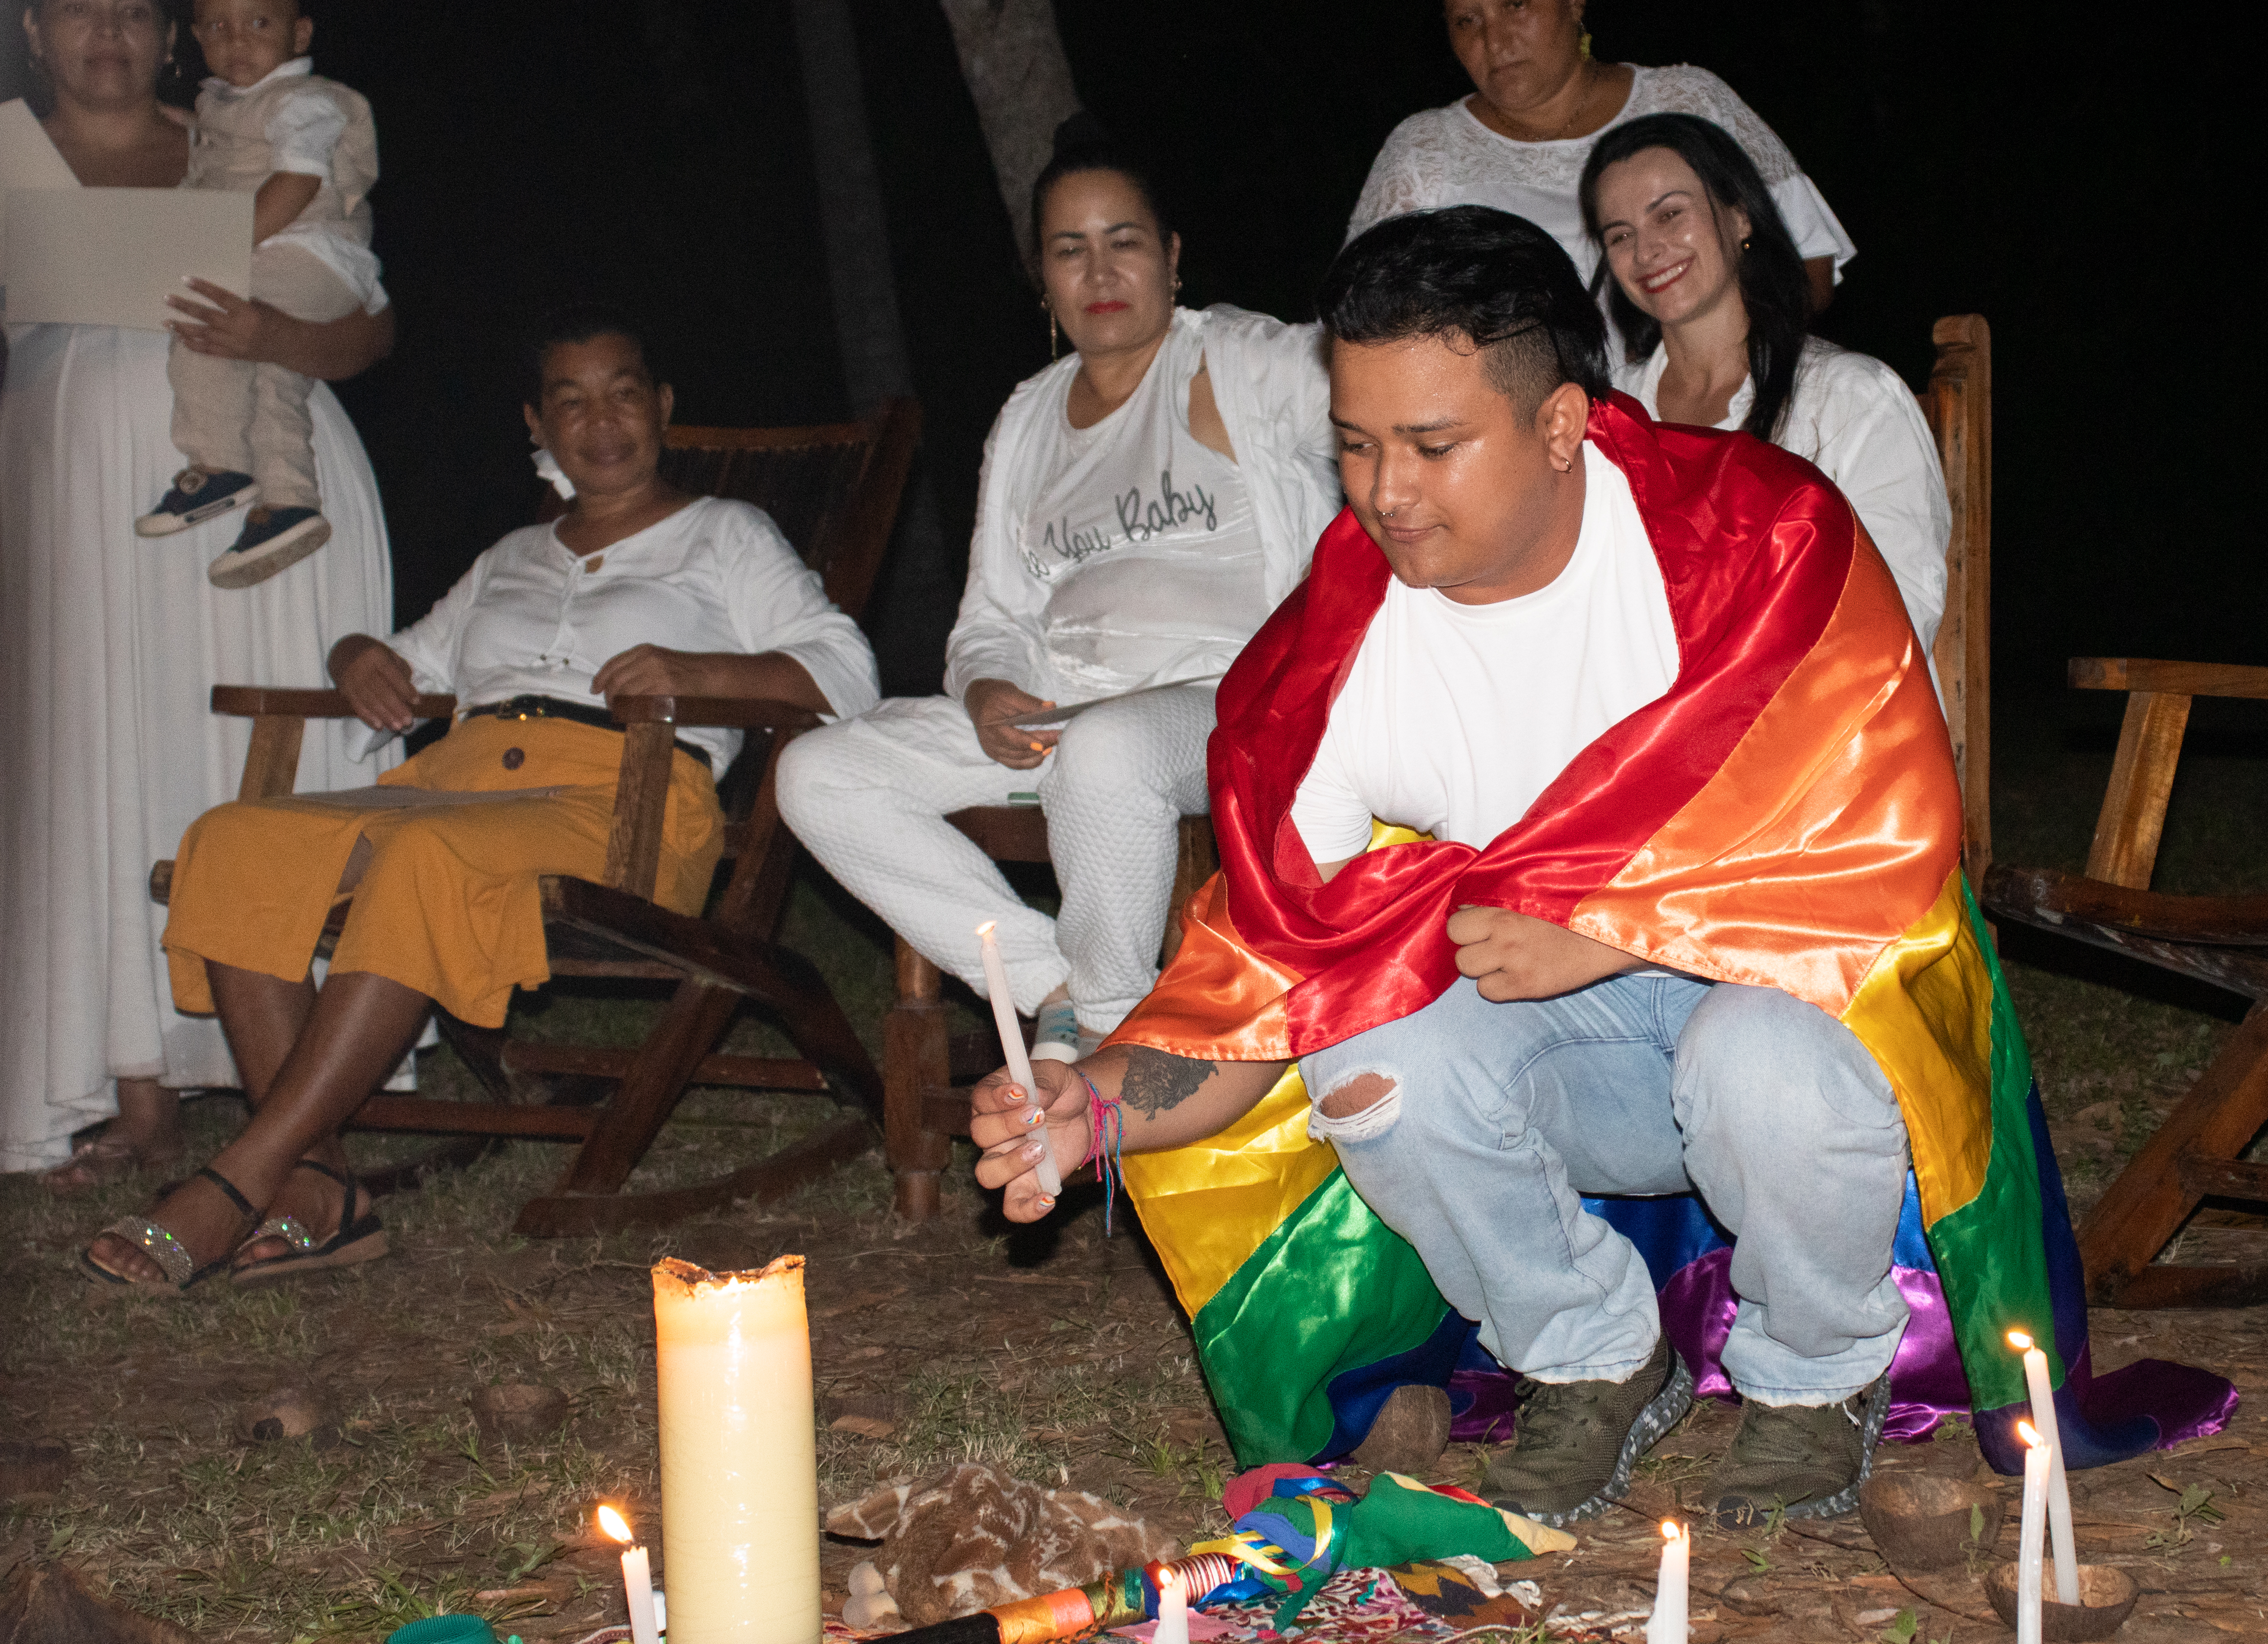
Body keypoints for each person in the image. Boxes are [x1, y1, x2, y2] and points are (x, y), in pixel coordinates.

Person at [971, 206, 1977, 1529]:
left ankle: (1817, 1374)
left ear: (1561, 425)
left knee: (1760, 1062)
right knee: (1371, 1057)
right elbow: (1271, 977)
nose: (1386, 491)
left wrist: (1618, 927)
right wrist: (1090, 1107)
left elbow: (1881, 839)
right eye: (1355, 446)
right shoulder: (1332, 655)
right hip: (1577, 1056)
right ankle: (1591, 1353)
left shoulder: (1755, 539)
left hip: (1805, 1008)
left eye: (1434, 446)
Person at [76, 306, 881, 1289]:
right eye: (570, 400)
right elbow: (404, 663)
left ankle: (242, 1173)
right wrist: (354, 655)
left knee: (425, 859)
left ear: (663, 407)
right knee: (234, 838)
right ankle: (324, 1186)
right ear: (537, 426)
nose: (601, 419)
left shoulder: (725, 534)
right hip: (459, 787)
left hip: (621, 802)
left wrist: (696, 666)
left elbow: (847, 670)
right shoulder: (511, 555)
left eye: (624, 391)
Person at [777, 121, 1339, 1056]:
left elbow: (1377, 389)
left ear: (1170, 257)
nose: (1100, 270)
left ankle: (1109, 1039)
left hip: (1226, 703)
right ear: (1041, 277)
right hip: (1060, 710)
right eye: (1069, 250)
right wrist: (989, 685)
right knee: (818, 771)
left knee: (1107, 751)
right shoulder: (1028, 415)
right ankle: (1058, 986)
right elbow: (990, 618)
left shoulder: (1239, 362)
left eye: (1124, 241)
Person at [1, 0, 397, 1187]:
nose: (107, 30)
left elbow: (373, 328)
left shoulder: (253, 122)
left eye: (133, 8)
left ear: (172, 33)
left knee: (232, 764)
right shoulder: (6, 148)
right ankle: (135, 1085)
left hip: (266, 505)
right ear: (31, 28)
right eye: (79, 7)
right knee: (102, 764)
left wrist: (276, 324)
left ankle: (301, 1078)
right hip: (79, 504)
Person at [1582, 112, 1949, 653]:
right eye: (1620, 235)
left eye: (1670, 215)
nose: (1647, 251)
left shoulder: (1851, 400)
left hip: (1813, 711)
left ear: (1739, 217)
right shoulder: (1605, 421)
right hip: (1646, 719)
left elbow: (1893, 616)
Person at [1347, 0, 1851, 343]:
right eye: (1466, 21)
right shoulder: (1423, 150)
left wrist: (1703, 368)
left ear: (1574, 3)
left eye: (1517, 4)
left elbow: (1809, 265)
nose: (1494, 39)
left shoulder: (1688, 101)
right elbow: (1359, 320)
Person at [136, 0, 382, 589]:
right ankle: (289, 505)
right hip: (300, 262)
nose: (237, 41)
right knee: (273, 373)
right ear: (196, 36)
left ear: (299, 34)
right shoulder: (225, 103)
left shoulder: (303, 101)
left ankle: (218, 463)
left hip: (310, 253)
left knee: (206, 321)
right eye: (219, 28)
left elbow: (298, 180)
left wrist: (224, 245)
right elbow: (225, 145)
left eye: (259, 24)